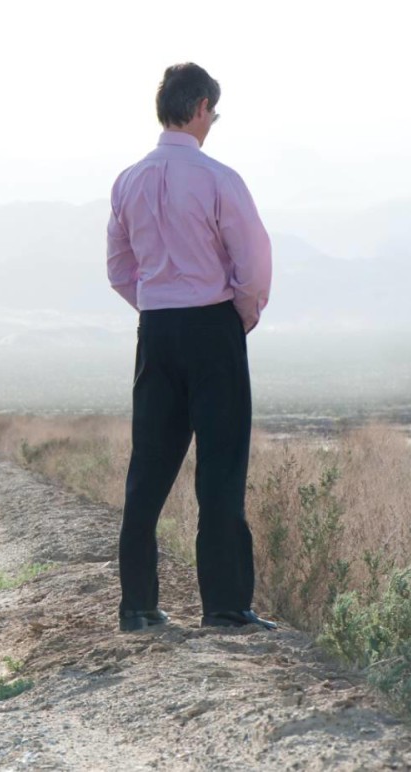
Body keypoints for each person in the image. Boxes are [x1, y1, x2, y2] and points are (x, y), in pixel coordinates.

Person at [106, 62, 276, 632]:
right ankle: (225, 607)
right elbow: (253, 263)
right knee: (221, 468)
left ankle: (137, 606)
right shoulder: (218, 178)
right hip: (211, 328)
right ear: (201, 107)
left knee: (148, 471)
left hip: (156, 330)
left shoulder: (127, 181)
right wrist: (240, 316)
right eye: (214, 113)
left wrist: (155, 305)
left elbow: (118, 268)